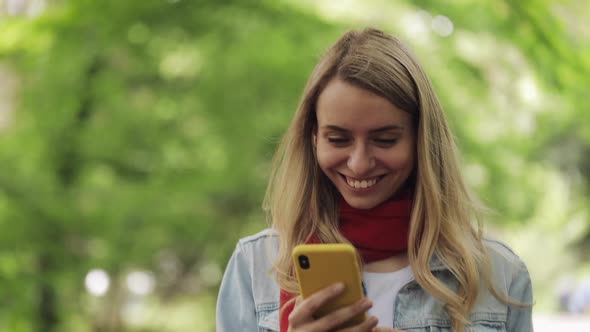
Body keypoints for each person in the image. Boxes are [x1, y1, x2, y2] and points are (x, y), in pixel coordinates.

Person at [216, 28, 533, 332]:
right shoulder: (256, 265)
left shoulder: (498, 274)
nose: (359, 163)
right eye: (338, 139)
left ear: (421, 140)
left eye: (385, 140)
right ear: (314, 138)